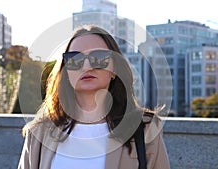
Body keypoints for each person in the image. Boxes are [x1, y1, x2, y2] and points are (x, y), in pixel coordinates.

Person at [18, 25, 170, 169]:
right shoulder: (39, 132)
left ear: (114, 69)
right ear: (66, 72)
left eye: (98, 58)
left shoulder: (144, 129)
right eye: (75, 59)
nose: (87, 67)